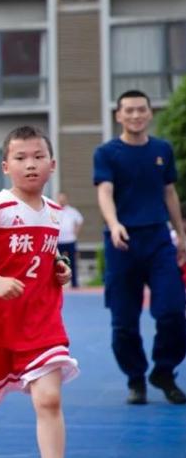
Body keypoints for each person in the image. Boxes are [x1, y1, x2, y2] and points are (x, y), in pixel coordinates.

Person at [0, 126, 78, 458]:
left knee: (49, 399)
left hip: (41, 321)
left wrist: (60, 265)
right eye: (20, 158)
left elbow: (47, 251)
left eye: (38, 156)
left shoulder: (54, 212)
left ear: (52, 164)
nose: (30, 164)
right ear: (6, 166)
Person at [93, 89, 186, 405]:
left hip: (158, 240)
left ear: (149, 113)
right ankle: (135, 379)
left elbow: (169, 192)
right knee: (123, 322)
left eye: (141, 109)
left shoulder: (162, 150)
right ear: (118, 115)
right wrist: (114, 223)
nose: (135, 115)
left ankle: (164, 372)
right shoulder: (106, 153)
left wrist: (180, 234)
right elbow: (105, 191)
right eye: (129, 110)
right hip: (122, 243)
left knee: (173, 311)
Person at [55, 192, 83, 288]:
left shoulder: (72, 211)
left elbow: (80, 220)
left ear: (66, 199)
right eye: (60, 198)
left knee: (72, 262)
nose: (62, 200)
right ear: (58, 199)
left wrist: (76, 232)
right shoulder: (54, 209)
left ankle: (74, 283)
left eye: (63, 198)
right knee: (57, 263)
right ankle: (56, 283)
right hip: (58, 241)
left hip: (70, 240)